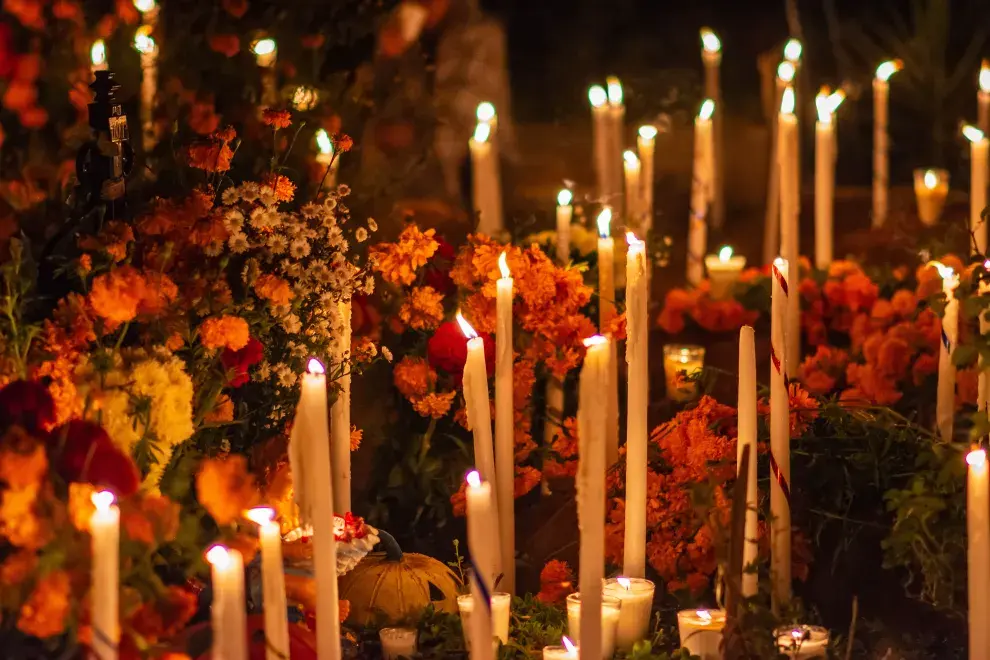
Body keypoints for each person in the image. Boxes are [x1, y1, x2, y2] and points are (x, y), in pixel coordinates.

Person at [365, 0, 516, 219]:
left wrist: (414, 133)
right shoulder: (402, 34)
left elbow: (467, 108)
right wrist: (386, 57)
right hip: (414, 179)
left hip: (476, 175)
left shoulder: (482, 34)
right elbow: (378, 102)